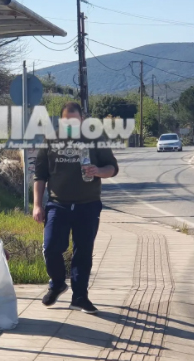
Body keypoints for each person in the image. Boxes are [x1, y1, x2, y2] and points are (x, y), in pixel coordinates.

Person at [32, 102, 119, 314]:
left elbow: (113, 168)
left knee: (83, 252)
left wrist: (98, 170)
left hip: (87, 205)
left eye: (75, 120)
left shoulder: (95, 139)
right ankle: (58, 283)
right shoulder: (51, 140)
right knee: (52, 247)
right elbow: (40, 175)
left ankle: (80, 296)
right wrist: (37, 205)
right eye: (66, 120)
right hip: (57, 204)